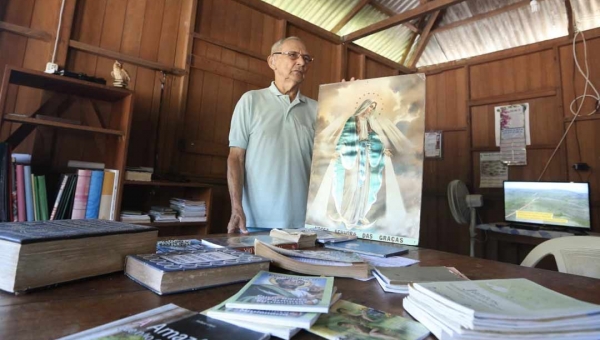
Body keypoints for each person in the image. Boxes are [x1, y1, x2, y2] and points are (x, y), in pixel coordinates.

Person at [227, 36, 317, 234]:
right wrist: (236, 206)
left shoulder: (317, 110)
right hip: (256, 220)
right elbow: (236, 157)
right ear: (272, 61)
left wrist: (349, 96)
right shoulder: (251, 101)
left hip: (305, 222)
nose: (301, 62)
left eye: (306, 59)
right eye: (293, 55)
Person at [308, 98, 413, 230]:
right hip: (353, 157)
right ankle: (346, 214)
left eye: (372, 108)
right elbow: (344, 136)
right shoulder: (352, 120)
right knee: (351, 185)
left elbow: (374, 137)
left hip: (365, 156)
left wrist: (381, 149)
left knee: (364, 186)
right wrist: (338, 150)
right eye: (369, 107)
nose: (370, 110)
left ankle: (359, 214)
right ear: (363, 107)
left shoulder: (368, 123)